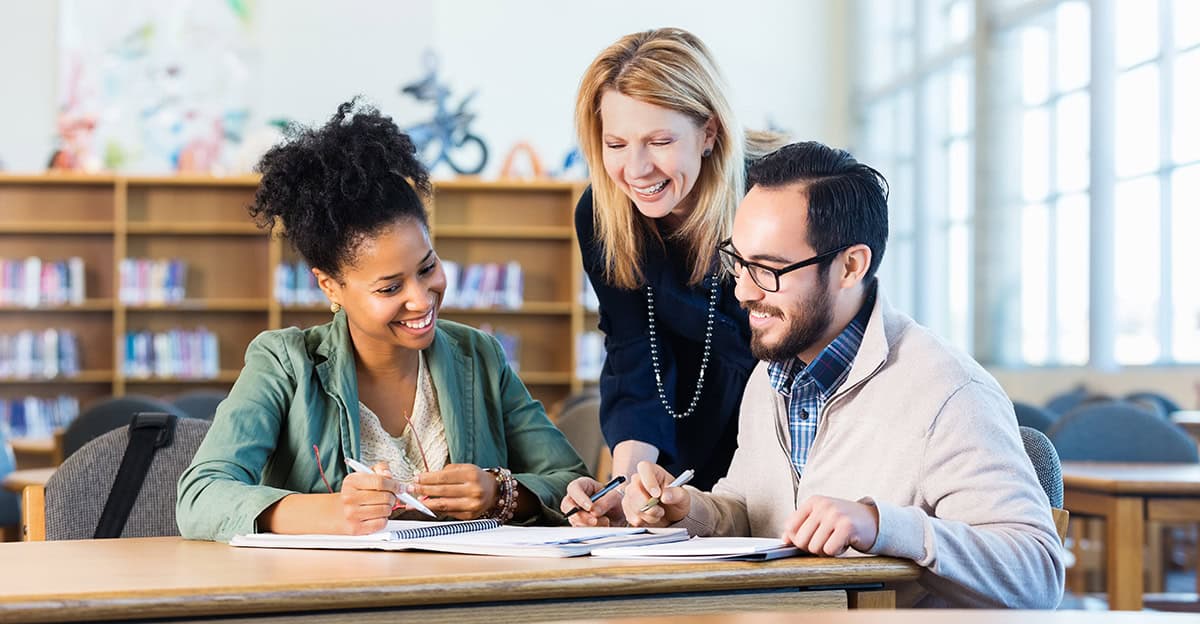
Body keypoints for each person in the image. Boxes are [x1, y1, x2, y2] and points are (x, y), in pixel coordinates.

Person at [617, 142, 1065, 608]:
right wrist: (690, 509)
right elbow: (755, 512)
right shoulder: (769, 376)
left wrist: (881, 526)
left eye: (768, 269)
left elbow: (1036, 574)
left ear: (851, 266)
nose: (744, 291)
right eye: (737, 262)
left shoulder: (950, 392)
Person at [177, 100, 589, 542]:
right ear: (331, 287)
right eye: (390, 288)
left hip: (465, 598)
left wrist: (499, 492)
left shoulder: (478, 355)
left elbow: (575, 483)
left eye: (427, 267)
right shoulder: (284, 364)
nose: (420, 299)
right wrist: (327, 513)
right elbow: (200, 496)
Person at [562, 28, 784, 525]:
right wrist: (627, 485)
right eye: (615, 144)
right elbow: (634, 354)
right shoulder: (602, 215)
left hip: (789, 430)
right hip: (687, 436)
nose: (635, 169)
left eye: (659, 141)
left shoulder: (776, 194)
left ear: (709, 132)